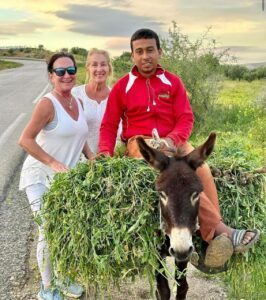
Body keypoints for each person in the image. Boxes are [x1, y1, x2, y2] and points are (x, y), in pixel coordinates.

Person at [98, 28, 260, 268]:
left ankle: (207, 239)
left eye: (150, 50)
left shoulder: (172, 82)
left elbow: (186, 118)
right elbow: (109, 125)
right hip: (141, 144)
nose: (145, 56)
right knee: (176, 175)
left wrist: (173, 141)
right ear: (132, 55)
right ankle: (221, 230)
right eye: (139, 51)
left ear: (159, 52)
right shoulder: (123, 87)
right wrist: (104, 154)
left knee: (201, 170)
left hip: (174, 140)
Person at [19, 52, 92, 300]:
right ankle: (47, 288)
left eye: (70, 70)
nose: (66, 75)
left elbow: (80, 137)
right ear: (51, 76)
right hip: (39, 176)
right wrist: (52, 161)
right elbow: (25, 140)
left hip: (64, 181)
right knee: (49, 231)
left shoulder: (78, 103)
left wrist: (92, 159)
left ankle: (63, 278)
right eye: (60, 71)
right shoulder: (47, 104)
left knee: (66, 231)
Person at [72, 48, 121, 155]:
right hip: (78, 160)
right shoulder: (75, 94)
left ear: (109, 69)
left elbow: (119, 133)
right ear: (88, 68)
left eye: (103, 64)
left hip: (107, 162)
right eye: (94, 65)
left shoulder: (117, 97)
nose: (99, 69)